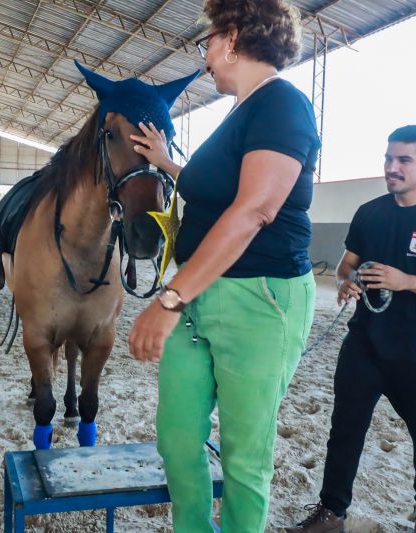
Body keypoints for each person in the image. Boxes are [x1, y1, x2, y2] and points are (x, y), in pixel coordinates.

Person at [127, 0, 320, 531]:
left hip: (259, 297)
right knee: (177, 437)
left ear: (232, 39)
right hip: (199, 290)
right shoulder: (243, 111)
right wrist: (165, 161)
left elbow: (255, 208)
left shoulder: (283, 105)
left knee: (243, 453)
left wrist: (171, 298)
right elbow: (214, 188)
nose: (205, 58)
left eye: (206, 43)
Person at [284, 125, 416, 533]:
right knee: (344, 430)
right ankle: (331, 513)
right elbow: (346, 264)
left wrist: (406, 281)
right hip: (365, 343)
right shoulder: (370, 213)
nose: (391, 167)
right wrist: (346, 282)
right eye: (388, 158)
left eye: (403, 160)